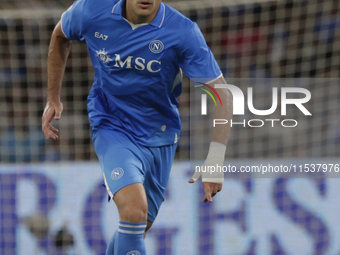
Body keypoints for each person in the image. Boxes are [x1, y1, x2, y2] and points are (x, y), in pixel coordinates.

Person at [41, 0, 232, 254]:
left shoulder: (182, 32)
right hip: (112, 125)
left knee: (136, 228)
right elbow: (59, 35)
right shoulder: (91, 9)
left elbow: (223, 95)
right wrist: (52, 97)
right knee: (133, 211)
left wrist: (216, 159)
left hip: (160, 136)